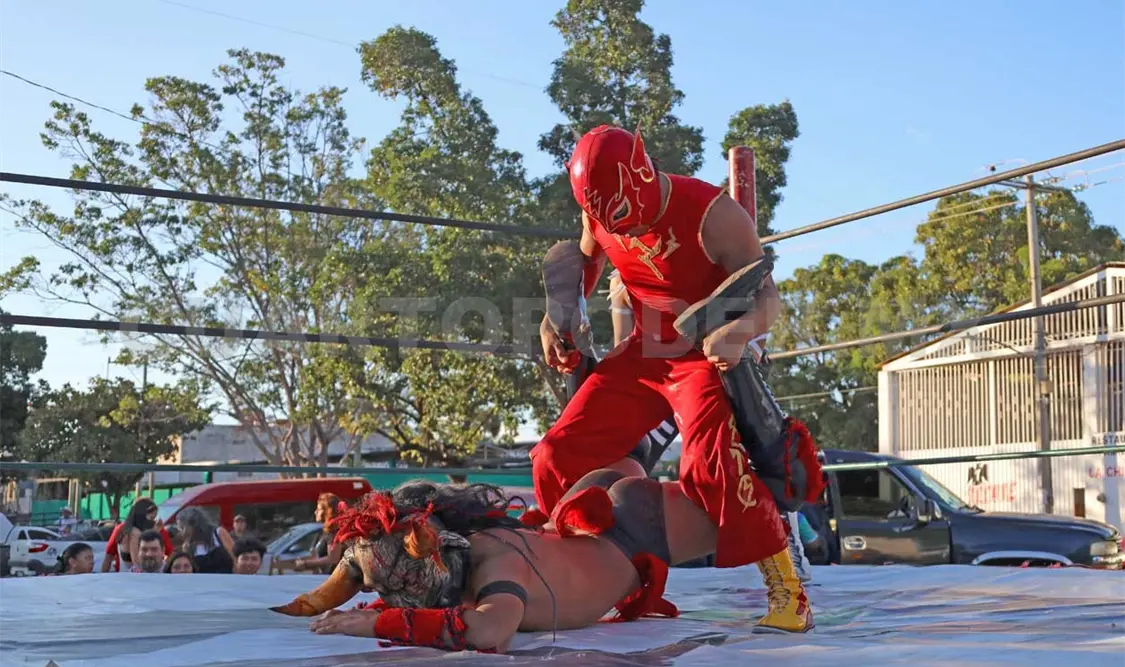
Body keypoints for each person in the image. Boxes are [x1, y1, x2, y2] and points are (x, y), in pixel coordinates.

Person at [534, 124, 823, 633]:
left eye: (623, 216)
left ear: (641, 174)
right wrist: (556, 317)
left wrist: (740, 333)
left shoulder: (714, 214)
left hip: (700, 356)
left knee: (713, 461)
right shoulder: (598, 212)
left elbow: (768, 298)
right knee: (555, 455)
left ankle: (788, 588)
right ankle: (605, 576)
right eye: (608, 220)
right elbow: (587, 262)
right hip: (641, 352)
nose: (620, 230)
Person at [272, 478, 718, 653]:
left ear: (443, 546)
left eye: (405, 578)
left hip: (636, 529)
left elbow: (489, 630)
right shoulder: (461, 560)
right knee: (558, 452)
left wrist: (377, 622)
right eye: (383, 587)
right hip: (593, 524)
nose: (396, 596)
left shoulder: (494, 561)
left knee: (749, 504)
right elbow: (427, 602)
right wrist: (370, 610)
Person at [102, 497, 174, 573]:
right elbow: (109, 557)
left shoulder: (121, 529)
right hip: (142, 575)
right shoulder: (156, 529)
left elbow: (108, 558)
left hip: (125, 575)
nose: (154, 519)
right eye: (152, 517)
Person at [289, 493, 345, 574]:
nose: (315, 512)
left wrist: (306, 564)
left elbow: (333, 559)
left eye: (319, 509)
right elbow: (320, 557)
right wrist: (301, 561)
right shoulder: (326, 532)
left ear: (328, 511)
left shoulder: (334, 532)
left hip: (334, 578)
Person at [176, 507, 235, 574]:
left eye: (182, 527)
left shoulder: (218, 533)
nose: (182, 533)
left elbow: (235, 559)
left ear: (193, 524)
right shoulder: (187, 547)